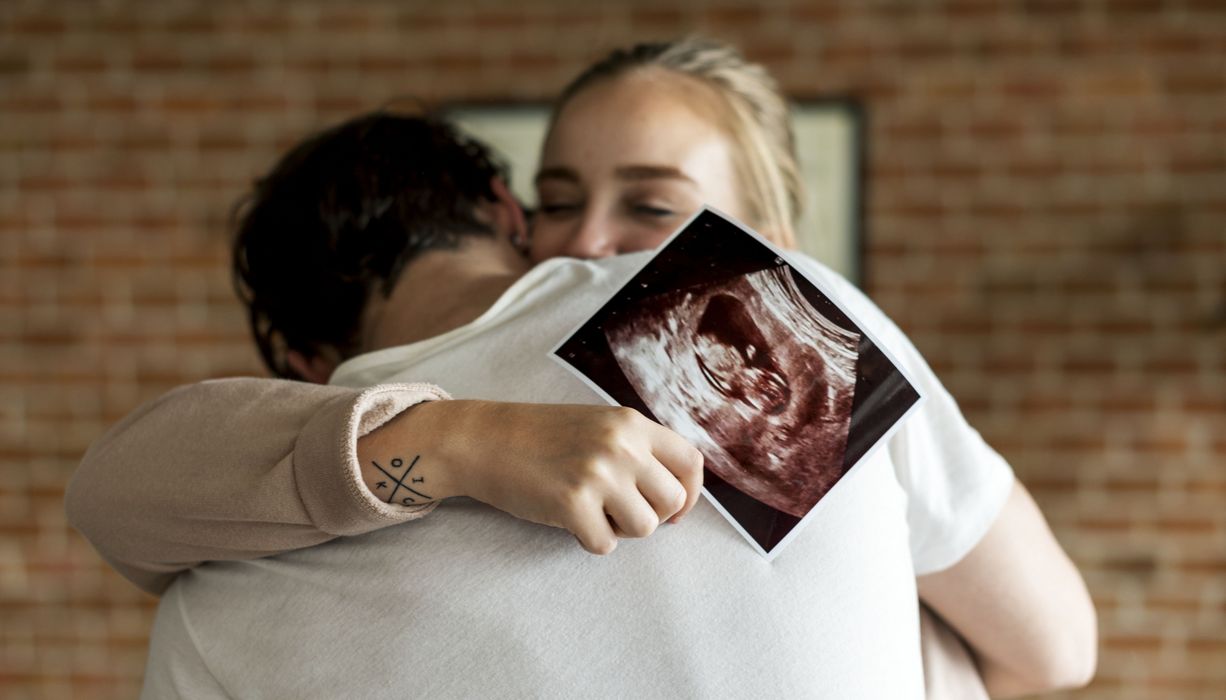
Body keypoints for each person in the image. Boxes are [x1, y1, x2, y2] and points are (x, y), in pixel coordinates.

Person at [67, 40, 1096, 698]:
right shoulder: (722, 311)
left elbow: (111, 495)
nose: (595, 248)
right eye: (565, 201)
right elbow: (1053, 649)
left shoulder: (217, 585)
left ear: (298, 355)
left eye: (652, 210)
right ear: (513, 218)